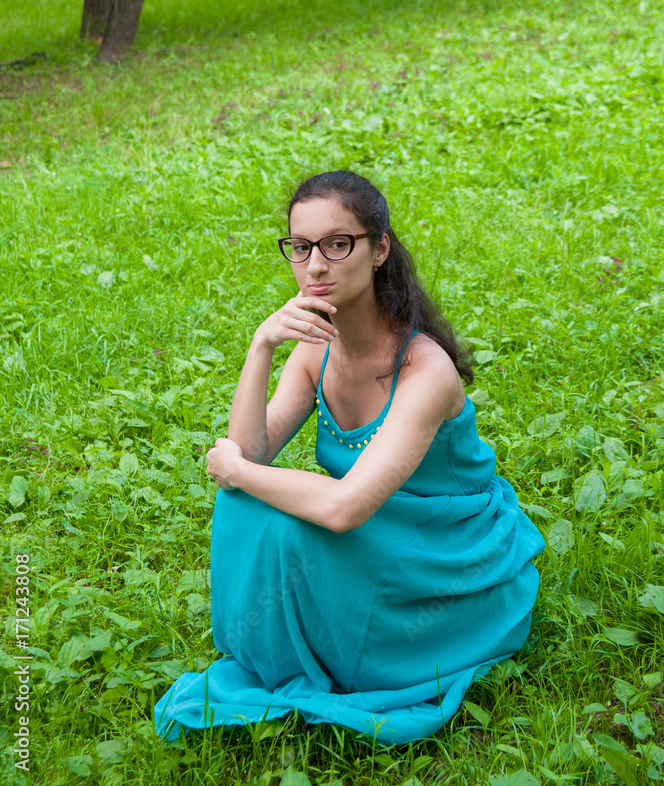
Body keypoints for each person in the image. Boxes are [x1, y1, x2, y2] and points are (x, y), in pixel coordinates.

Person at [153, 169, 546, 747]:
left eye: (338, 244)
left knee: (255, 493)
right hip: (376, 531)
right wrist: (261, 347)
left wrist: (238, 470)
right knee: (243, 506)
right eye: (301, 247)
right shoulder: (316, 351)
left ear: (379, 248)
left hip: (447, 555)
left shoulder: (424, 369)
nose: (315, 266)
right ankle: (297, 651)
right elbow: (251, 450)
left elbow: (341, 509)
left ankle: (377, 654)